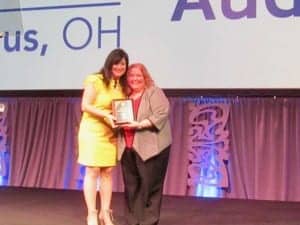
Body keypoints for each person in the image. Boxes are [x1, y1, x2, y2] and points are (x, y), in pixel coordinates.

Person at [77, 48, 129, 225]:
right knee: (92, 170)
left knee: (107, 172)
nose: (119, 67)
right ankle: (92, 213)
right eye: (116, 63)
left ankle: (105, 213)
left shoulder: (122, 85)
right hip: (92, 130)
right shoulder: (96, 79)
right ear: (109, 63)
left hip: (110, 132)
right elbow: (85, 105)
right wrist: (105, 115)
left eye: (123, 64)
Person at [117, 63, 172, 225]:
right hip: (128, 147)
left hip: (152, 148)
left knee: (150, 186)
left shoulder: (153, 92)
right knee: (131, 187)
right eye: (131, 76)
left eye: (138, 76)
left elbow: (162, 112)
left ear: (145, 77)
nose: (134, 79)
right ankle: (133, 220)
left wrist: (140, 124)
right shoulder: (124, 96)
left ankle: (149, 221)